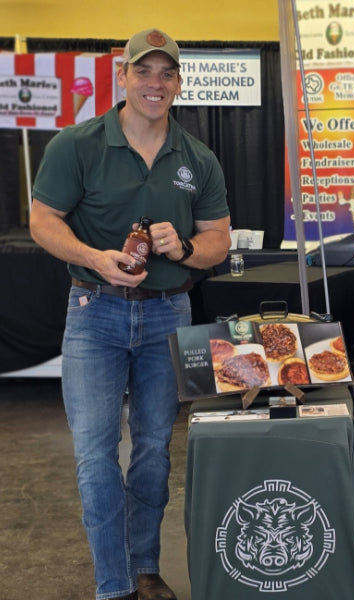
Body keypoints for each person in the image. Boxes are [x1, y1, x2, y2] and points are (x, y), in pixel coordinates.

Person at [29, 28, 230, 600]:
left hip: (169, 313)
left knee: (152, 451)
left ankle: (145, 567)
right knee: (95, 454)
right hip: (94, 312)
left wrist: (185, 247)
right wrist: (95, 257)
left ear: (179, 83)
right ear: (123, 76)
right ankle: (112, 584)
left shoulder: (198, 158)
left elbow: (217, 238)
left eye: (167, 74)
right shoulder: (78, 144)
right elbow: (43, 220)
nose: (155, 83)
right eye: (145, 71)